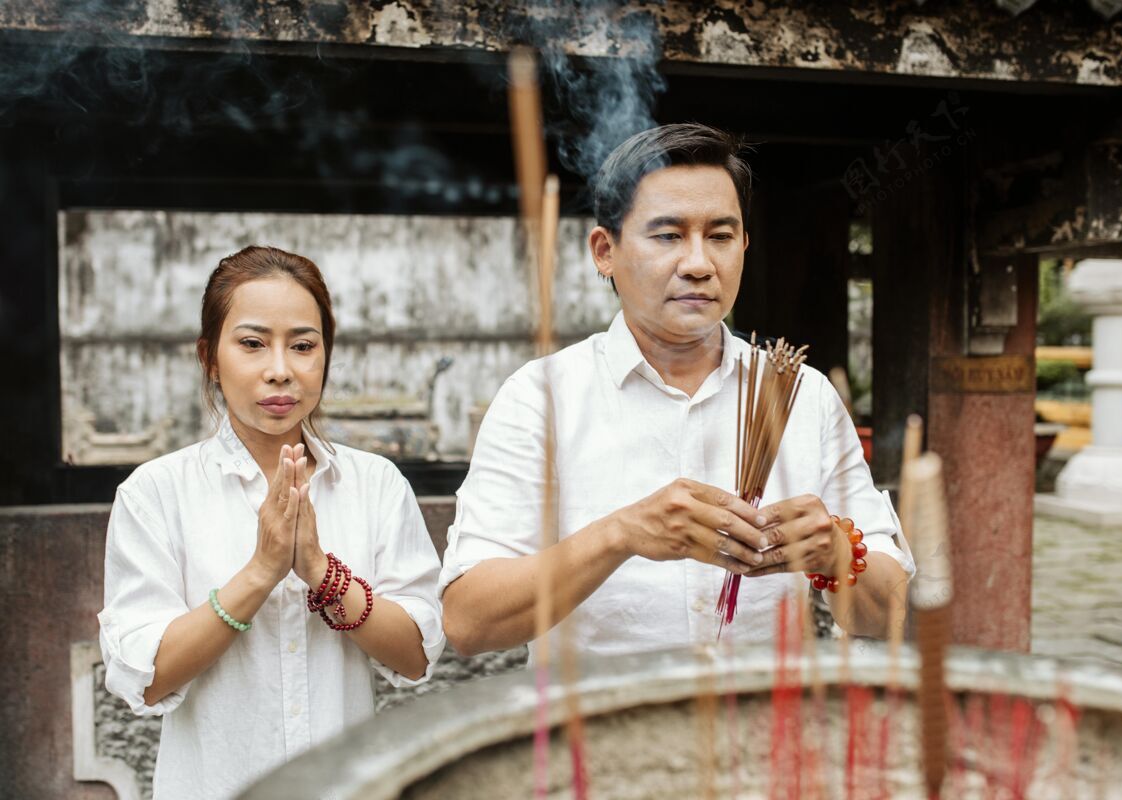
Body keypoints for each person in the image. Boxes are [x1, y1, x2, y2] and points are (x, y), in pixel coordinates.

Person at [441, 123, 914, 658]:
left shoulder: (803, 395)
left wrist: (835, 553)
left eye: (720, 236)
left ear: (744, 246)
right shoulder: (540, 397)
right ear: (605, 251)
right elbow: (467, 621)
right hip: (600, 735)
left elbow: (890, 612)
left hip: (761, 731)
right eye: (668, 236)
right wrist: (620, 534)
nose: (698, 264)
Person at [99, 246, 444, 799]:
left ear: (325, 355)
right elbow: (146, 675)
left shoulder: (374, 485)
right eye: (252, 344)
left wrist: (320, 572)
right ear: (210, 357)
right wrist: (260, 573)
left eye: (303, 346)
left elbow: (417, 652)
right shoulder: (156, 493)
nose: (280, 370)